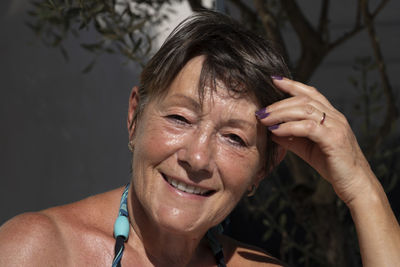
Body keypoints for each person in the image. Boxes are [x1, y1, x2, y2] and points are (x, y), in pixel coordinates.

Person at [0, 10, 399, 267]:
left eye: (234, 138)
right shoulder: (39, 251)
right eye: (179, 118)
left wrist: (362, 189)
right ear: (135, 117)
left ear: (264, 168)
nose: (197, 157)